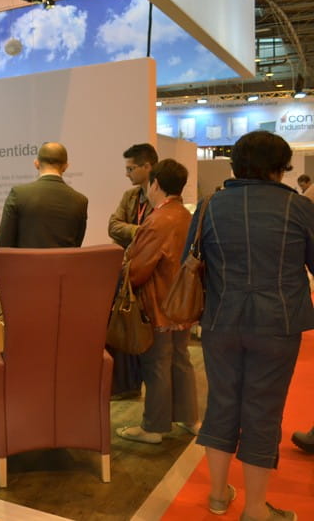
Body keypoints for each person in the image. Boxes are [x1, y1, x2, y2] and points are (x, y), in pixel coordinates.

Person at [192, 131, 313, 520]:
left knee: (221, 402)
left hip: (220, 321)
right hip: (278, 324)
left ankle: (217, 496)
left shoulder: (209, 206)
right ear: (281, 168)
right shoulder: (299, 208)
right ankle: (256, 509)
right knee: (263, 410)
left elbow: (191, 261)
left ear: (235, 165)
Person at [115, 159, 199, 445]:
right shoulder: (187, 216)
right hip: (183, 303)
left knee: (157, 364)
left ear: (155, 185)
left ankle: (153, 427)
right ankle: (189, 417)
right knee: (180, 359)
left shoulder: (157, 220)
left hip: (158, 304)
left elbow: (138, 270)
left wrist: (125, 265)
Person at [107, 143, 159, 400]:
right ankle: (128, 386)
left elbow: (160, 236)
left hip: (152, 275)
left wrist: (135, 234)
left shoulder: (163, 197)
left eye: (130, 169)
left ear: (147, 167)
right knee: (124, 327)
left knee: (151, 339)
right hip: (128, 272)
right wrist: (141, 232)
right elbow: (113, 226)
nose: (126, 174)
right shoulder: (130, 196)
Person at [0, 142, 87, 248]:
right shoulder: (81, 201)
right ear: (65, 167)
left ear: (36, 164)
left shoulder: (18, 194)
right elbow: (76, 246)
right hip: (64, 260)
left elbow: (3, 243)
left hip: (26, 259)